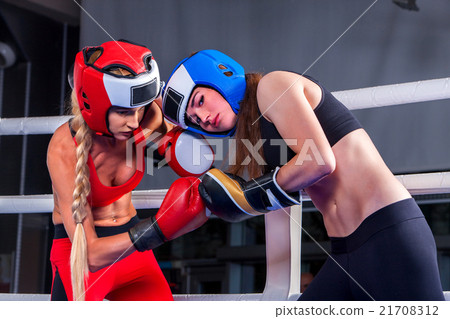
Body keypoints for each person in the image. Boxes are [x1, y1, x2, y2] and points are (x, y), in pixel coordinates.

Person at [161, 49, 445, 301]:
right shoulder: (256, 136)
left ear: (220, 75)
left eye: (199, 101)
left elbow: (319, 160)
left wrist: (248, 194)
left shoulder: (273, 86)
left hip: (386, 235)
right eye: (195, 120)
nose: (203, 117)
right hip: (344, 250)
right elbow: (281, 190)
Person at [47, 40, 208, 301]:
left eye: (138, 109)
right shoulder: (64, 149)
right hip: (82, 255)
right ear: (95, 105)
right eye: (123, 112)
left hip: (133, 252)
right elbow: (92, 255)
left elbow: (198, 161)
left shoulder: (146, 116)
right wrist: (157, 229)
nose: (133, 122)